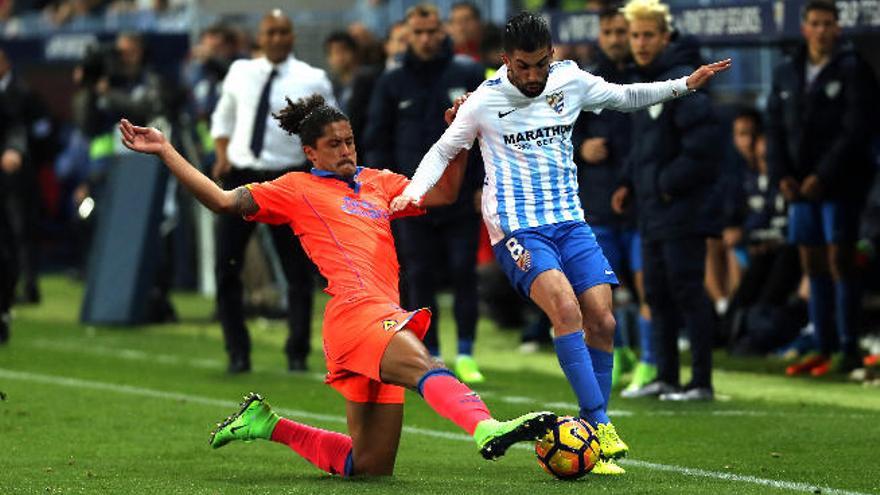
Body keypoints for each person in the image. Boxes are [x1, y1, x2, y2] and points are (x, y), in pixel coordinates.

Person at [117, 94, 556, 477]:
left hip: (378, 316)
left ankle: (269, 424)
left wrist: (460, 137)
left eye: (349, 141)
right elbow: (222, 200)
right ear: (311, 152)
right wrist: (164, 149)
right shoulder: (295, 188)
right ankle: (486, 426)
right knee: (426, 364)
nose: (346, 150)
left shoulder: (378, 183)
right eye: (334, 144)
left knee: (369, 465)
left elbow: (441, 194)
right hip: (356, 314)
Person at [391, 10, 730, 474]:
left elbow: (624, 96)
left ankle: (591, 426)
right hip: (517, 228)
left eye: (539, 65)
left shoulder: (569, 79)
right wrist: (413, 191)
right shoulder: (483, 101)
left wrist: (683, 85)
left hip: (570, 222)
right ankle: (600, 426)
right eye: (521, 67)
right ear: (505, 60)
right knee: (566, 311)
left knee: (604, 321)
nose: (531, 76)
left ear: (551, 55)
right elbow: (444, 149)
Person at [365, 3, 487, 383]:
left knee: (464, 271)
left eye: (431, 31)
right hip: (409, 198)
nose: (425, 38)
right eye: (417, 32)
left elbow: (487, 134)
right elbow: (377, 138)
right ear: (408, 34)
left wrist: (484, 183)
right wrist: (384, 188)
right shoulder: (392, 80)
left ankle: (466, 352)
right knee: (419, 274)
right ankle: (430, 352)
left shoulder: (467, 72)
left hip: (459, 195)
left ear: (443, 31)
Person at [210, 10, 336, 373]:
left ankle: (297, 351)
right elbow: (224, 117)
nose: (278, 38)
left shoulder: (313, 78)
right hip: (242, 175)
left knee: (297, 270)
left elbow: (325, 130)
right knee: (226, 266)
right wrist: (221, 156)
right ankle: (237, 351)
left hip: (288, 180)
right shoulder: (240, 71)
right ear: (260, 37)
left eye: (284, 32)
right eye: (271, 32)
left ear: (292, 36)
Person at [610, 0, 722, 402]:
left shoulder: (685, 82)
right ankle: (668, 377)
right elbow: (644, 148)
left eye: (647, 35)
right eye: (633, 35)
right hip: (654, 210)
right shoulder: (649, 81)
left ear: (665, 36)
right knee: (656, 292)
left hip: (682, 209)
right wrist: (628, 182)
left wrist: (661, 185)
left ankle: (702, 381)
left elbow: (704, 149)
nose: (638, 43)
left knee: (687, 290)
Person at [766, 0, 877, 377]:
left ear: (838, 28)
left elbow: (856, 130)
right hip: (799, 188)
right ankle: (822, 345)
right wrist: (781, 173)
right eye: (815, 23)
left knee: (840, 261)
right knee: (811, 263)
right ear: (805, 28)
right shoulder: (786, 71)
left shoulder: (854, 70)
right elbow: (775, 127)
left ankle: (847, 347)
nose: (822, 30)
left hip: (840, 185)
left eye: (829, 23)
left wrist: (823, 176)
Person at [571, 4, 656, 396]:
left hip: (640, 199)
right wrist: (581, 147)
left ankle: (651, 361)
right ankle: (619, 354)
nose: (618, 40)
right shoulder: (582, 79)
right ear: (600, 35)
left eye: (623, 32)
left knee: (645, 285)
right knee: (602, 293)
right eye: (610, 32)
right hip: (598, 199)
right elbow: (560, 131)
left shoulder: (645, 75)